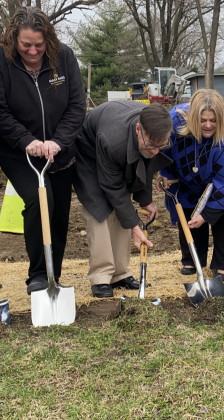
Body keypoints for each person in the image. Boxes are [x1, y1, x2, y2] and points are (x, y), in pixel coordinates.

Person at [0, 6, 86, 294]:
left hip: (59, 151)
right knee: (40, 201)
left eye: (39, 45)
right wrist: (26, 140)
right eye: (26, 45)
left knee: (60, 214)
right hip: (19, 152)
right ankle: (38, 275)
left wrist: (59, 141)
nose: (32, 51)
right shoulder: (0, 60)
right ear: (14, 39)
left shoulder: (63, 57)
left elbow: (77, 106)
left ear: (48, 41)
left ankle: (55, 275)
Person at [72, 102, 173, 298]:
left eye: (161, 146)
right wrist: (135, 228)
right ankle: (101, 276)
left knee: (122, 211)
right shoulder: (112, 140)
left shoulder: (159, 133)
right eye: (151, 145)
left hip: (116, 148)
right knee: (99, 210)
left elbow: (146, 164)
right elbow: (113, 188)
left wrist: (145, 201)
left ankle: (120, 273)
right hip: (89, 152)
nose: (155, 151)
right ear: (138, 129)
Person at [155, 89, 224, 283]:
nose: (208, 125)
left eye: (213, 120)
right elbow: (163, 151)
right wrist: (165, 174)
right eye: (202, 120)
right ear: (192, 118)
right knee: (187, 208)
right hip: (188, 178)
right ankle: (193, 259)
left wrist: (206, 214)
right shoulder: (174, 122)